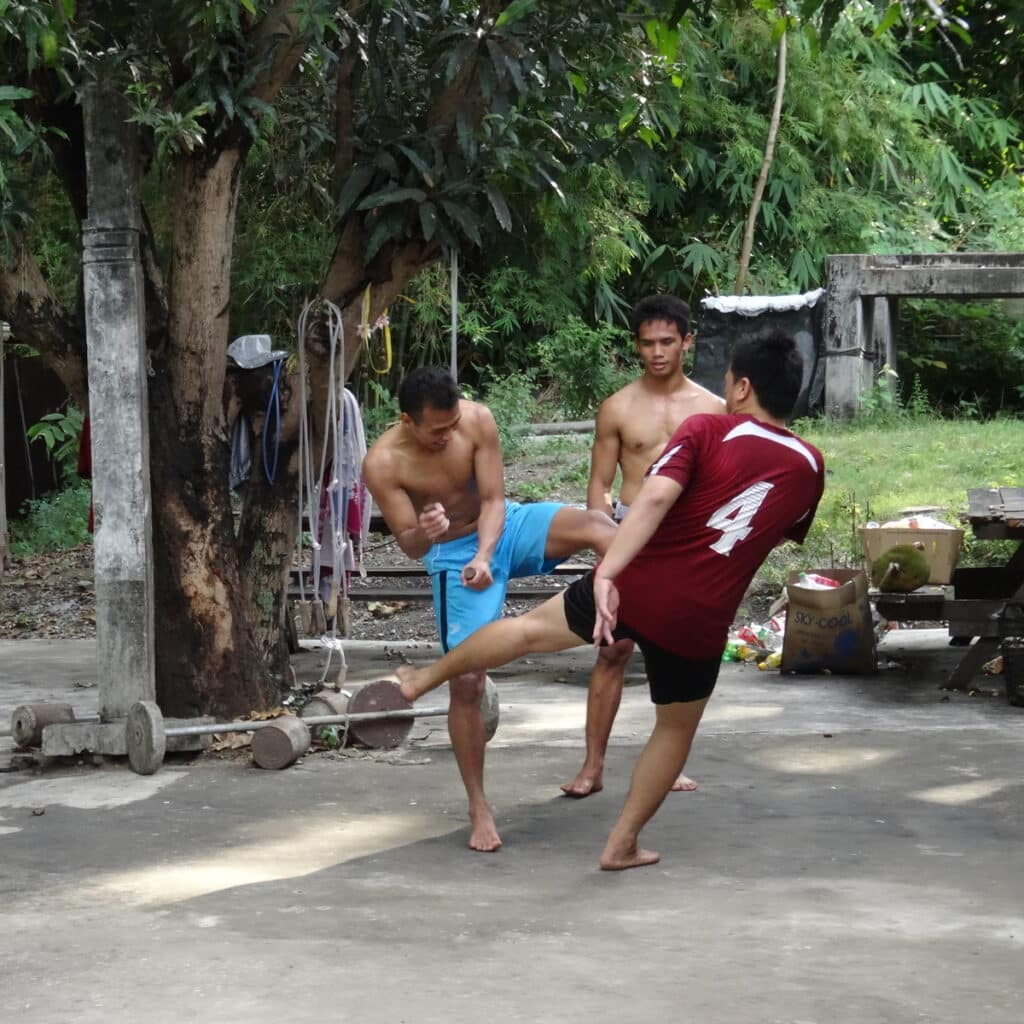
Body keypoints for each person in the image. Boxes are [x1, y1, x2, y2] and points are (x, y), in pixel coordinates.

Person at [397, 332, 825, 870]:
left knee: (528, 631)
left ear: (741, 386)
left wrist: (610, 572)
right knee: (673, 730)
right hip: (700, 620)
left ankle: (421, 680)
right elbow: (777, 529)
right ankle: (622, 842)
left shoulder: (707, 427)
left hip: (639, 585)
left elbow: (657, 495)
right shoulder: (811, 466)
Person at [362, 367, 616, 853]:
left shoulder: (477, 420)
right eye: (438, 430)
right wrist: (428, 532)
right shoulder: (383, 463)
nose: (449, 435)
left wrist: (486, 554)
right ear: (407, 422)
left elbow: (496, 499)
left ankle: (632, 608)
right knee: (468, 680)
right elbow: (410, 546)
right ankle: (479, 806)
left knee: (599, 526)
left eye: (453, 424)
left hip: (501, 529)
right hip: (451, 556)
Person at [563, 294, 725, 798]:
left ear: (686, 342)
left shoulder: (714, 408)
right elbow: (599, 484)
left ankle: (667, 763)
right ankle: (592, 767)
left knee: (671, 650)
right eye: (647, 343)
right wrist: (604, 550)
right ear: (636, 346)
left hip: (685, 540)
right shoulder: (616, 407)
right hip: (629, 533)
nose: (657, 352)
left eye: (667, 342)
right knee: (612, 650)